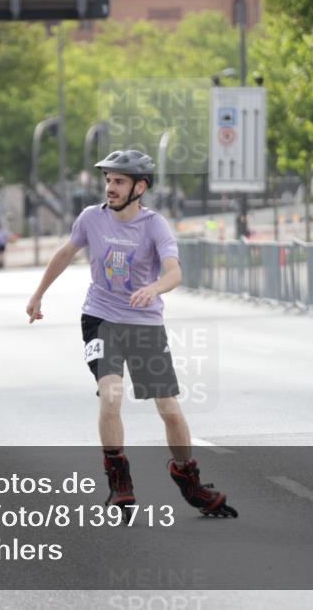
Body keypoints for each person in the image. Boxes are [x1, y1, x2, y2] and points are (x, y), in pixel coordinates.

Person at [25, 150, 237, 519]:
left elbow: (174, 273)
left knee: (169, 409)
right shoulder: (91, 218)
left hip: (145, 324)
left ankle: (188, 477)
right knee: (111, 395)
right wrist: (38, 292)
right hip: (100, 318)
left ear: (140, 187)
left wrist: (155, 288)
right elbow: (64, 253)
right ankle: (119, 479)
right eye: (108, 180)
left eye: (119, 181)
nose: (110, 187)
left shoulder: (155, 226)